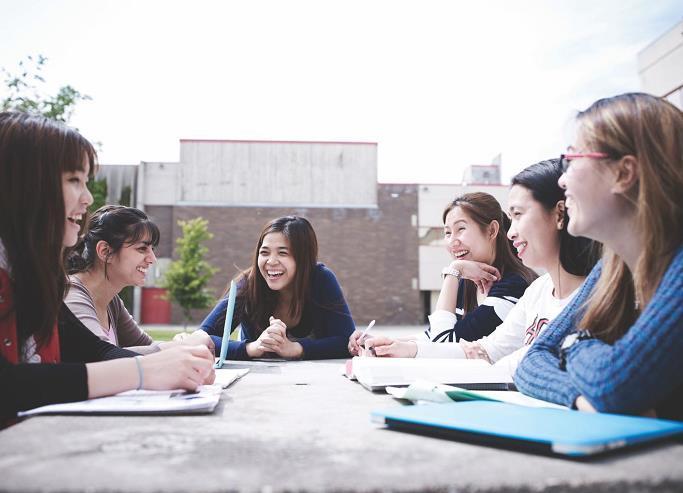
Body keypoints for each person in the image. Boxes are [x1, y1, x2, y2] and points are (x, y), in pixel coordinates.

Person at [0, 112, 214, 426]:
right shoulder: (60, 286)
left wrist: (175, 360)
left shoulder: (34, 277)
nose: (87, 198)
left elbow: (95, 353)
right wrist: (146, 370)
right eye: (74, 180)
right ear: (25, 184)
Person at [515, 93, 683, 420]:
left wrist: (574, 344)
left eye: (573, 159)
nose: (561, 179)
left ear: (624, 173)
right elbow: (533, 359)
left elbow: (615, 386)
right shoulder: (613, 267)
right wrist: (578, 397)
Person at [383, 159, 599, 376]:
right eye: (447, 232)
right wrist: (398, 347)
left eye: (518, 215)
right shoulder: (537, 291)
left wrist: (452, 272)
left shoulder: (595, 297)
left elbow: (466, 347)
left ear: (560, 214)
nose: (511, 232)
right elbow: (486, 351)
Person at [349, 192, 537, 357]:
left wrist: (453, 271)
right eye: (447, 233)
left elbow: (443, 344)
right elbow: (433, 335)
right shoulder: (468, 281)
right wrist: (384, 343)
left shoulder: (513, 286)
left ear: (492, 230)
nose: (452, 241)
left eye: (461, 229)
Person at [196, 216, 355, 360]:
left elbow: (346, 341)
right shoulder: (248, 283)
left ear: (303, 259)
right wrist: (252, 348)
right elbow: (202, 337)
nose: (271, 261)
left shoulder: (321, 279)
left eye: (283, 253)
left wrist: (295, 348)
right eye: (264, 253)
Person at [65, 205, 214, 354]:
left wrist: (181, 343)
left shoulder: (111, 302)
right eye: (142, 249)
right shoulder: (72, 295)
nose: (153, 259)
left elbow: (147, 346)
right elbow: (103, 356)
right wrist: (181, 346)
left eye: (152, 250)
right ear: (105, 252)